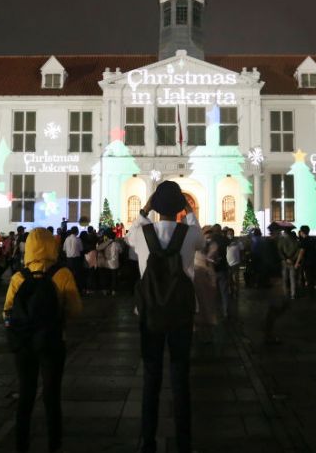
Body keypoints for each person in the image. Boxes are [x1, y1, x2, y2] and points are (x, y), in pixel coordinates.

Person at [126, 182, 202, 453]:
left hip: (149, 312)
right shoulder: (190, 234)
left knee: (151, 377)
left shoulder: (141, 233)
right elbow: (201, 239)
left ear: (156, 206)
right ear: (181, 206)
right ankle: (184, 442)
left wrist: (146, 207)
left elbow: (131, 233)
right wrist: (190, 211)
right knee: (180, 377)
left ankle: (148, 441)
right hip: (181, 312)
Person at [3, 227, 82, 453]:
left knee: (25, 394)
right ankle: (54, 444)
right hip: (53, 340)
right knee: (52, 395)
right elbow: (75, 309)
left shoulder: (19, 277)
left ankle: (21, 444)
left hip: (25, 344)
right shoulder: (62, 274)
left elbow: (7, 310)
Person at [278, 227, 302, 300]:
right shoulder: (295, 240)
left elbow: (280, 250)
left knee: (285, 278)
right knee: (292, 278)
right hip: (292, 261)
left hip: (284, 261)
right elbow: (298, 251)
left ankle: (285, 294)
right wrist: (292, 259)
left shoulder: (281, 240)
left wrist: (286, 258)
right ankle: (293, 294)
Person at [62, 227, 84, 294]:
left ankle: (69, 290)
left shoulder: (67, 239)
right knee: (77, 276)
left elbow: (64, 249)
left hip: (69, 260)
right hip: (76, 260)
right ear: (77, 232)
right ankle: (77, 290)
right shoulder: (78, 239)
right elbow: (81, 249)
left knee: (70, 275)